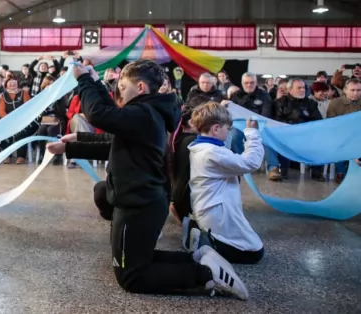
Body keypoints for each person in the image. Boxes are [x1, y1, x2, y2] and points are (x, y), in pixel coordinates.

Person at [47, 60, 249, 300]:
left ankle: (204, 274)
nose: (119, 91)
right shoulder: (148, 111)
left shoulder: (143, 113)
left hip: (139, 205)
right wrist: (71, 146)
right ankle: (197, 258)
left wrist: (83, 80)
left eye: (123, 86)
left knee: (131, 277)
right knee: (136, 259)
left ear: (140, 87)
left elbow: (99, 114)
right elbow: (113, 140)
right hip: (143, 201)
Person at [184, 102, 265, 264]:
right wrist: (252, 133)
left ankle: (202, 233)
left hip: (211, 209)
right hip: (217, 213)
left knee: (252, 247)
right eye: (228, 129)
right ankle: (205, 243)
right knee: (254, 252)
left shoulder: (202, 147)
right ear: (215, 129)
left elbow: (225, 151)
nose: (229, 133)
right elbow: (251, 162)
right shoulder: (212, 153)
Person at [169, 106, 197, 224]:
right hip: (185, 195)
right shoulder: (192, 141)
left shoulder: (176, 139)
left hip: (177, 193)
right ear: (190, 123)